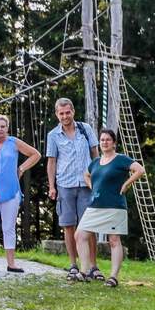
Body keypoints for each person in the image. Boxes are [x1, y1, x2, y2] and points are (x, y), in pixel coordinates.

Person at [73, 129, 145, 287]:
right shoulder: (96, 161)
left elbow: (140, 170)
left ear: (114, 143)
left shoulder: (121, 159)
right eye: (102, 140)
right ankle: (84, 271)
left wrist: (127, 183)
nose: (104, 142)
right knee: (80, 235)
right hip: (95, 205)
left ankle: (113, 277)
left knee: (113, 240)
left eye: (108, 140)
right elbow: (86, 174)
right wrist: (92, 186)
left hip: (114, 205)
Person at [46, 97, 101, 281]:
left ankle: (93, 266)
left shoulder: (85, 129)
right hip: (65, 184)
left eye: (67, 112)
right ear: (56, 114)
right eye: (61, 113)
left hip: (86, 184)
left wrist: (97, 177)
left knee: (89, 226)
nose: (64, 116)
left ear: (73, 112)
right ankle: (73, 265)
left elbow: (95, 154)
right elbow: (51, 161)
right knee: (68, 226)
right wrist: (52, 186)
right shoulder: (53, 135)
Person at [0, 114, 41, 273]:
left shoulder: (14, 142)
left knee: (9, 227)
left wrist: (22, 168)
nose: (0, 129)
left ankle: (11, 263)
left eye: (3, 126)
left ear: (7, 128)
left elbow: (35, 154)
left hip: (11, 191)